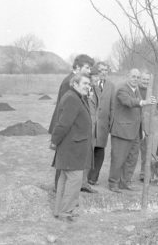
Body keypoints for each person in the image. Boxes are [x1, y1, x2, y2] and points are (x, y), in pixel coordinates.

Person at [50, 73, 93, 222]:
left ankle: (59, 211)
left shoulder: (77, 97)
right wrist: (54, 141)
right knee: (74, 181)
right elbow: (63, 124)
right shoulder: (72, 99)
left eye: (89, 84)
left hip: (73, 147)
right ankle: (66, 212)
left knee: (64, 179)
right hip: (72, 148)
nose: (88, 86)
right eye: (85, 83)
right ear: (75, 84)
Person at [49, 54, 94, 191]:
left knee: (68, 159)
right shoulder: (68, 82)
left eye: (90, 68)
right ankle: (59, 190)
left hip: (71, 125)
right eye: (87, 67)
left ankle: (68, 189)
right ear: (78, 67)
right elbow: (65, 109)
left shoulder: (78, 81)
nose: (89, 71)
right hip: (66, 126)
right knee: (64, 159)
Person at [108, 69, 156, 192]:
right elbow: (128, 102)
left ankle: (125, 182)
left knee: (132, 158)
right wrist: (144, 102)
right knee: (118, 158)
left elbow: (139, 112)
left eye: (138, 77)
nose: (136, 79)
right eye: (133, 76)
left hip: (135, 131)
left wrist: (143, 129)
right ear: (127, 76)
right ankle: (113, 183)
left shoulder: (137, 90)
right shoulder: (122, 89)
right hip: (122, 131)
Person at [87, 62, 115, 186]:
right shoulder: (90, 85)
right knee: (89, 150)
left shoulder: (111, 86)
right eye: (101, 70)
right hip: (91, 124)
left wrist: (111, 124)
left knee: (100, 151)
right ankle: (84, 179)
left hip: (103, 125)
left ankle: (93, 178)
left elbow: (113, 107)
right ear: (96, 72)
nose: (103, 72)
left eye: (106, 70)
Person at [137, 71, 152, 182]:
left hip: (146, 125)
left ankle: (143, 174)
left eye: (147, 79)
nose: (146, 81)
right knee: (130, 151)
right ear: (139, 79)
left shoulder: (151, 91)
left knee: (145, 151)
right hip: (134, 123)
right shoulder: (135, 89)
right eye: (144, 79)